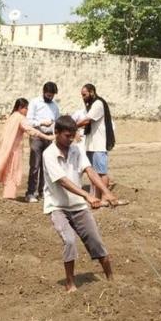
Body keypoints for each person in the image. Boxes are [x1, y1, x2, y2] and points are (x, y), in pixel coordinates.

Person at [43, 116, 119, 293]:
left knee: (96, 241)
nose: (70, 139)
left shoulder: (77, 149)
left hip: (77, 205)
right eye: (67, 136)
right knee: (69, 240)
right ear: (56, 133)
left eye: (72, 136)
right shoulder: (49, 154)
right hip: (58, 206)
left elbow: (89, 171)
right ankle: (70, 284)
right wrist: (87, 195)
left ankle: (111, 280)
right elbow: (62, 181)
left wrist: (106, 193)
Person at [0, 98, 55, 200]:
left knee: (9, 170)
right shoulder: (20, 118)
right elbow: (31, 130)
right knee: (12, 170)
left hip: (7, 148)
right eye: (26, 108)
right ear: (20, 108)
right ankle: (9, 195)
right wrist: (47, 137)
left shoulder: (12, 117)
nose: (27, 111)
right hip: (14, 150)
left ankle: (8, 194)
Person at [76, 83, 116, 203]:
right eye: (82, 95)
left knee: (101, 172)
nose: (83, 97)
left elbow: (87, 120)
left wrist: (72, 126)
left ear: (92, 92)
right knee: (93, 172)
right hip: (91, 143)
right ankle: (97, 197)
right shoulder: (91, 105)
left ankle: (104, 197)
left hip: (99, 144)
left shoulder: (98, 103)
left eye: (85, 94)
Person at [25, 81, 60, 203]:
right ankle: (30, 192)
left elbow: (56, 121)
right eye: (49, 95)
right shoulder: (35, 102)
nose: (50, 97)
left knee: (46, 166)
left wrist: (55, 133)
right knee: (35, 165)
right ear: (44, 92)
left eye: (52, 95)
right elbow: (29, 121)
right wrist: (41, 123)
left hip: (49, 137)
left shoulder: (55, 106)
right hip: (37, 136)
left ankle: (43, 192)